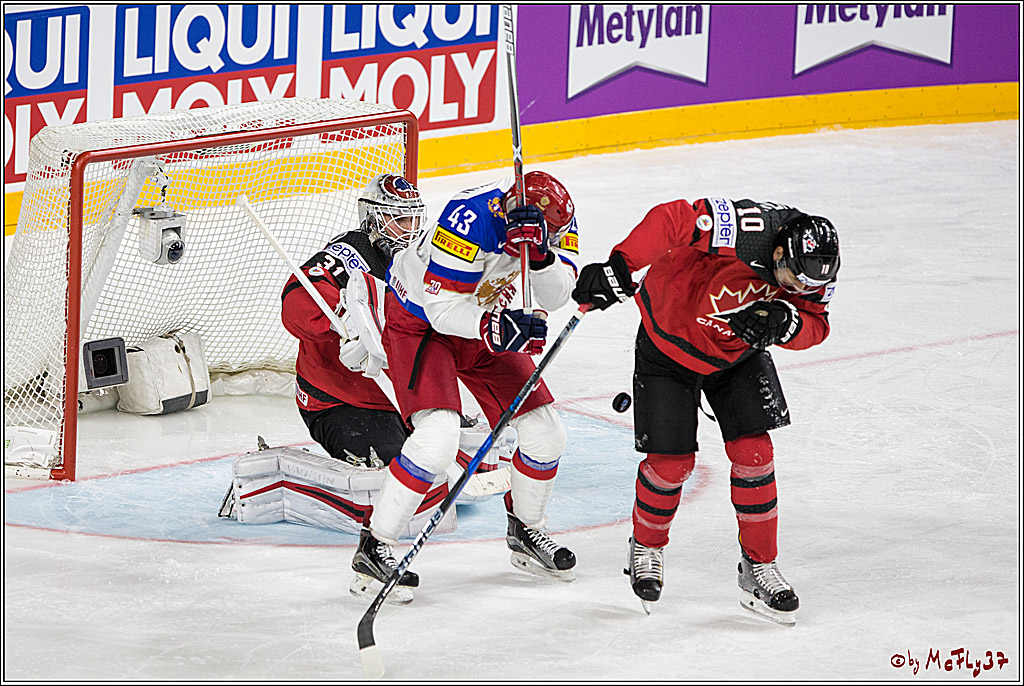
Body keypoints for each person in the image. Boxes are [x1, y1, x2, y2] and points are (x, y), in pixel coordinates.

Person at [570, 197, 840, 625]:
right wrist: (622, 264)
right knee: (671, 465)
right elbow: (673, 218)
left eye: (804, 286)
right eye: (790, 278)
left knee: (755, 455)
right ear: (777, 251)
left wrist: (788, 324)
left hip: (737, 357)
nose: (796, 290)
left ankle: (759, 566)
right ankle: (646, 547)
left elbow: (816, 324)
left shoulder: (813, 270)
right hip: (667, 345)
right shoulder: (748, 229)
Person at [363, 170, 581, 590]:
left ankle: (526, 529)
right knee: (437, 438)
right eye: (547, 236)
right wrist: (494, 327)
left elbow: (557, 295)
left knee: (545, 433)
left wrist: (540, 255)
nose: (555, 237)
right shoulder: (468, 219)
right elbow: (443, 312)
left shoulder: (557, 218)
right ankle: (375, 545)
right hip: (420, 323)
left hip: (479, 319)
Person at [280, 173, 428, 598]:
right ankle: (370, 551)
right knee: (392, 477)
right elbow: (295, 302)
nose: (410, 231)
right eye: (400, 221)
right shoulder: (348, 256)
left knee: (435, 469)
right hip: (336, 401)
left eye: (414, 220)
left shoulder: (418, 256)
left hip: (392, 398)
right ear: (375, 220)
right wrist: (341, 319)